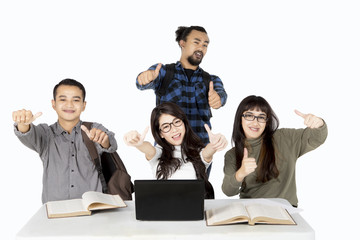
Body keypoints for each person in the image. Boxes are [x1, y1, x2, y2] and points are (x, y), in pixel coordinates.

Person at [13, 79, 118, 203]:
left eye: (76, 100)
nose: (69, 105)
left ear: (84, 105)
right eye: (63, 99)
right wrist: (23, 123)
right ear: (54, 104)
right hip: (56, 212)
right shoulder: (46, 134)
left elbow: (111, 143)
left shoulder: (93, 129)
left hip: (92, 208)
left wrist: (103, 140)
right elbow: (26, 133)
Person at [222, 95, 328, 207]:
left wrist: (319, 123)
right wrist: (241, 173)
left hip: (285, 211)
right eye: (249, 115)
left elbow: (317, 138)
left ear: (267, 121)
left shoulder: (284, 138)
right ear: (240, 119)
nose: (255, 122)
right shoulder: (232, 155)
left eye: (261, 117)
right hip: (251, 212)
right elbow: (228, 191)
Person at [136, 26, 227, 146]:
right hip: (167, 152)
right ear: (182, 43)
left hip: (200, 151)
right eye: (196, 42)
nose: (201, 48)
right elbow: (141, 82)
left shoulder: (211, 80)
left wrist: (218, 99)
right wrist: (145, 77)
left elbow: (222, 95)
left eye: (205, 45)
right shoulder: (164, 72)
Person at [123, 102, 228, 199]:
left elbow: (207, 152)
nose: (174, 129)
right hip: (165, 212)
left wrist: (215, 145)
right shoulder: (159, 153)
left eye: (177, 122)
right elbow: (149, 150)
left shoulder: (197, 152)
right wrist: (139, 144)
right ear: (161, 134)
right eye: (166, 127)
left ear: (184, 123)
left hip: (193, 211)